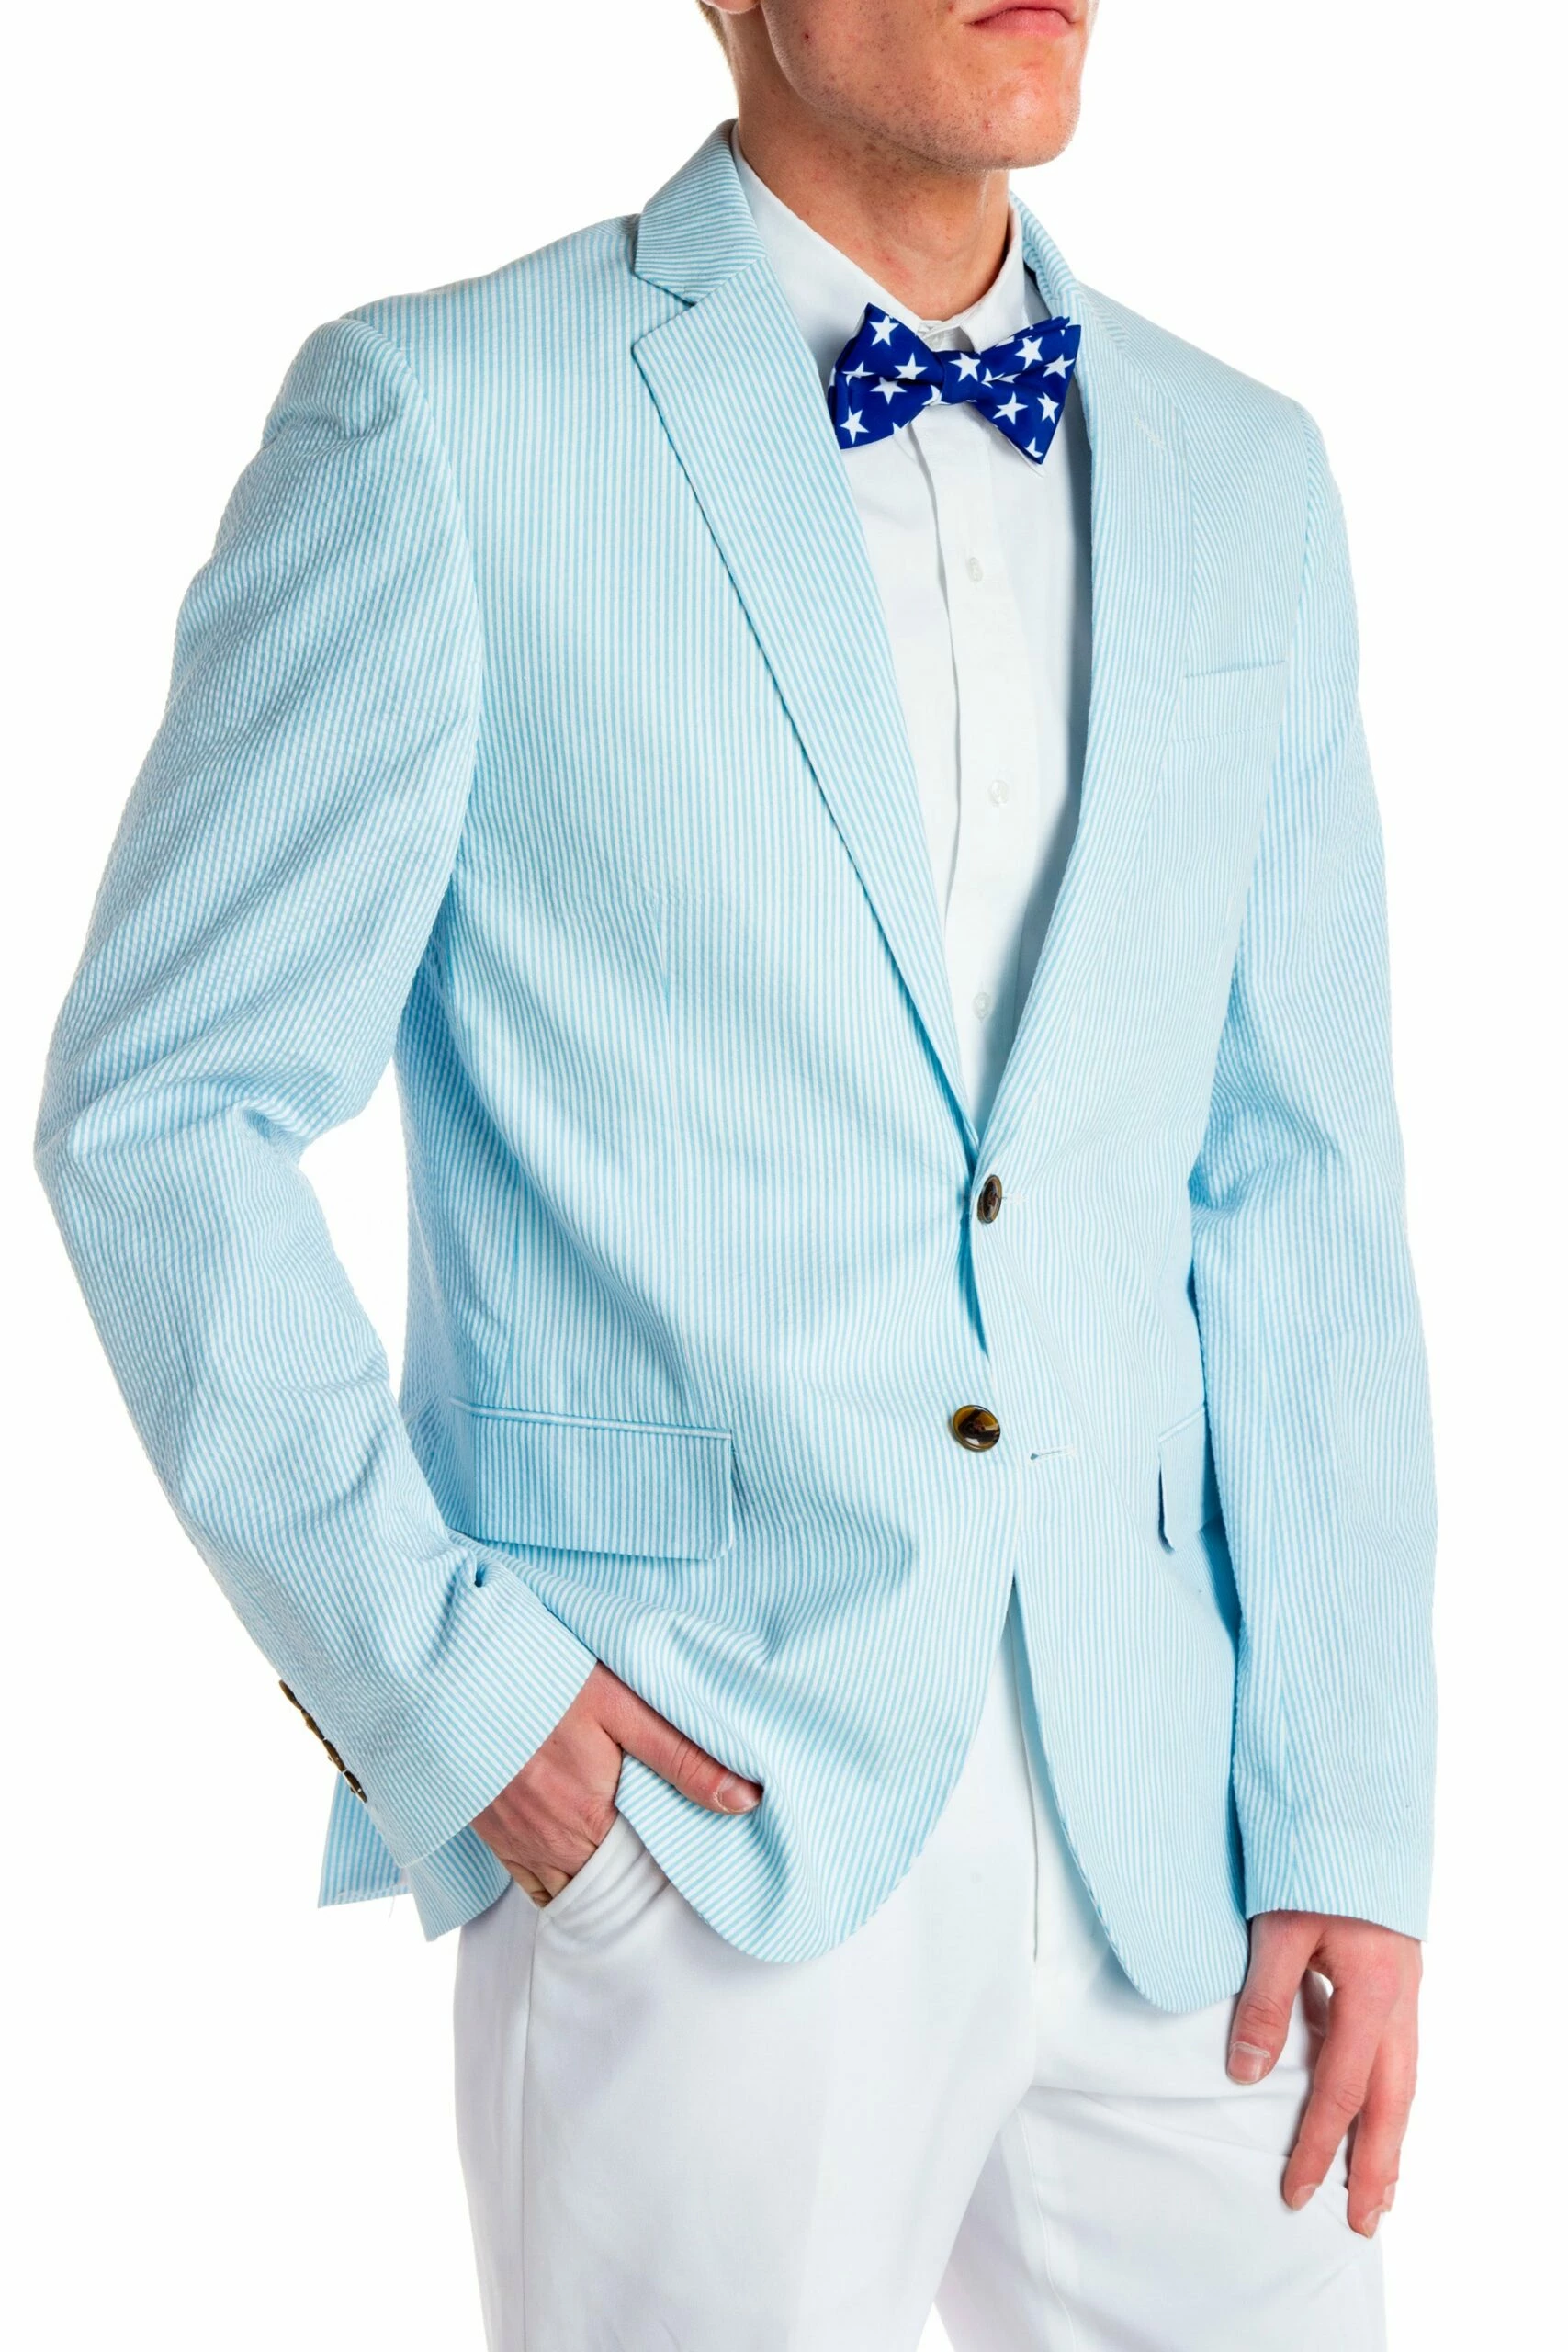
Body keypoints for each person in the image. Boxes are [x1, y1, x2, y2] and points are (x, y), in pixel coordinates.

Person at [35, 3, 1436, 2345]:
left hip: (1176, 1844)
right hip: (699, 1805)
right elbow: (162, 1105)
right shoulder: (445, 425)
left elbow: (1299, 1189)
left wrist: (1347, 1814)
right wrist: (454, 1695)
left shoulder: (1246, 472)